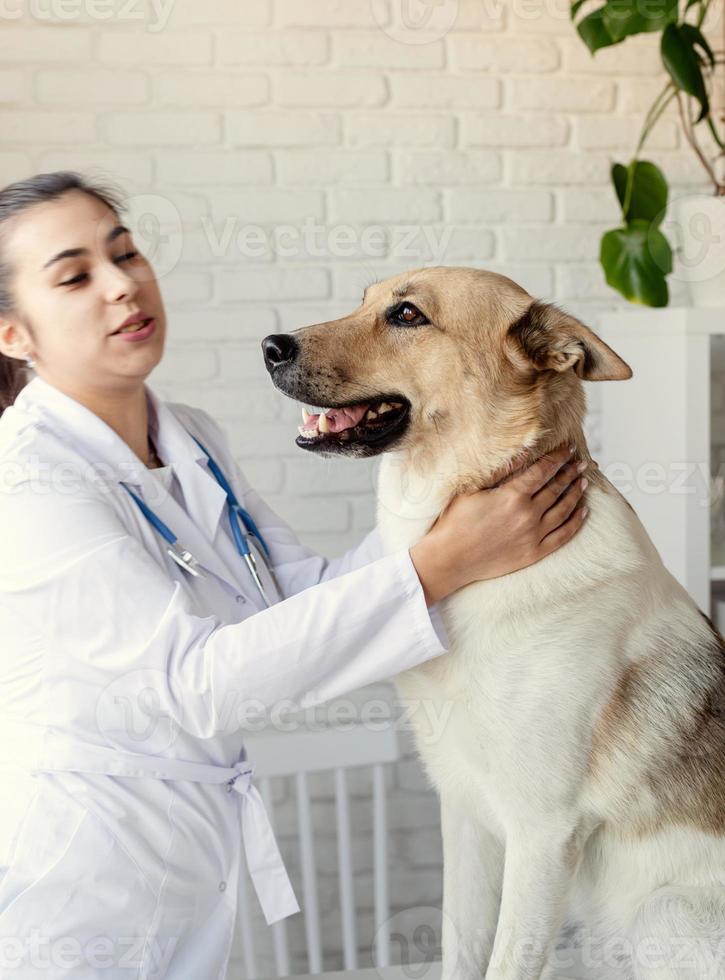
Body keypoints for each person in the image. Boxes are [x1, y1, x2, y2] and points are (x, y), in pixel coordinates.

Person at [0, 172, 590, 978]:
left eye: (126, 252)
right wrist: (439, 561)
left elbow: (302, 599)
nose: (121, 285)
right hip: (79, 882)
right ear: (13, 334)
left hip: (186, 864)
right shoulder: (30, 481)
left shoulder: (189, 438)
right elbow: (194, 686)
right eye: (74, 276)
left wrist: (463, 512)